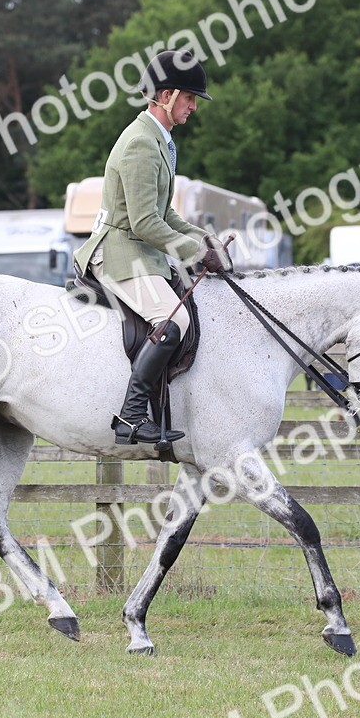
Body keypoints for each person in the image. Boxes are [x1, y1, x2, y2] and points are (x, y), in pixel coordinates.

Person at [72, 50, 231, 446]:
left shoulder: (161, 140)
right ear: (165, 94)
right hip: (118, 251)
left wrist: (205, 241)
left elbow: (166, 215)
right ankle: (131, 416)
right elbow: (144, 223)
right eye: (190, 97)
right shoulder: (141, 144)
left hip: (140, 249)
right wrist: (195, 254)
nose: (194, 106)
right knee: (174, 320)